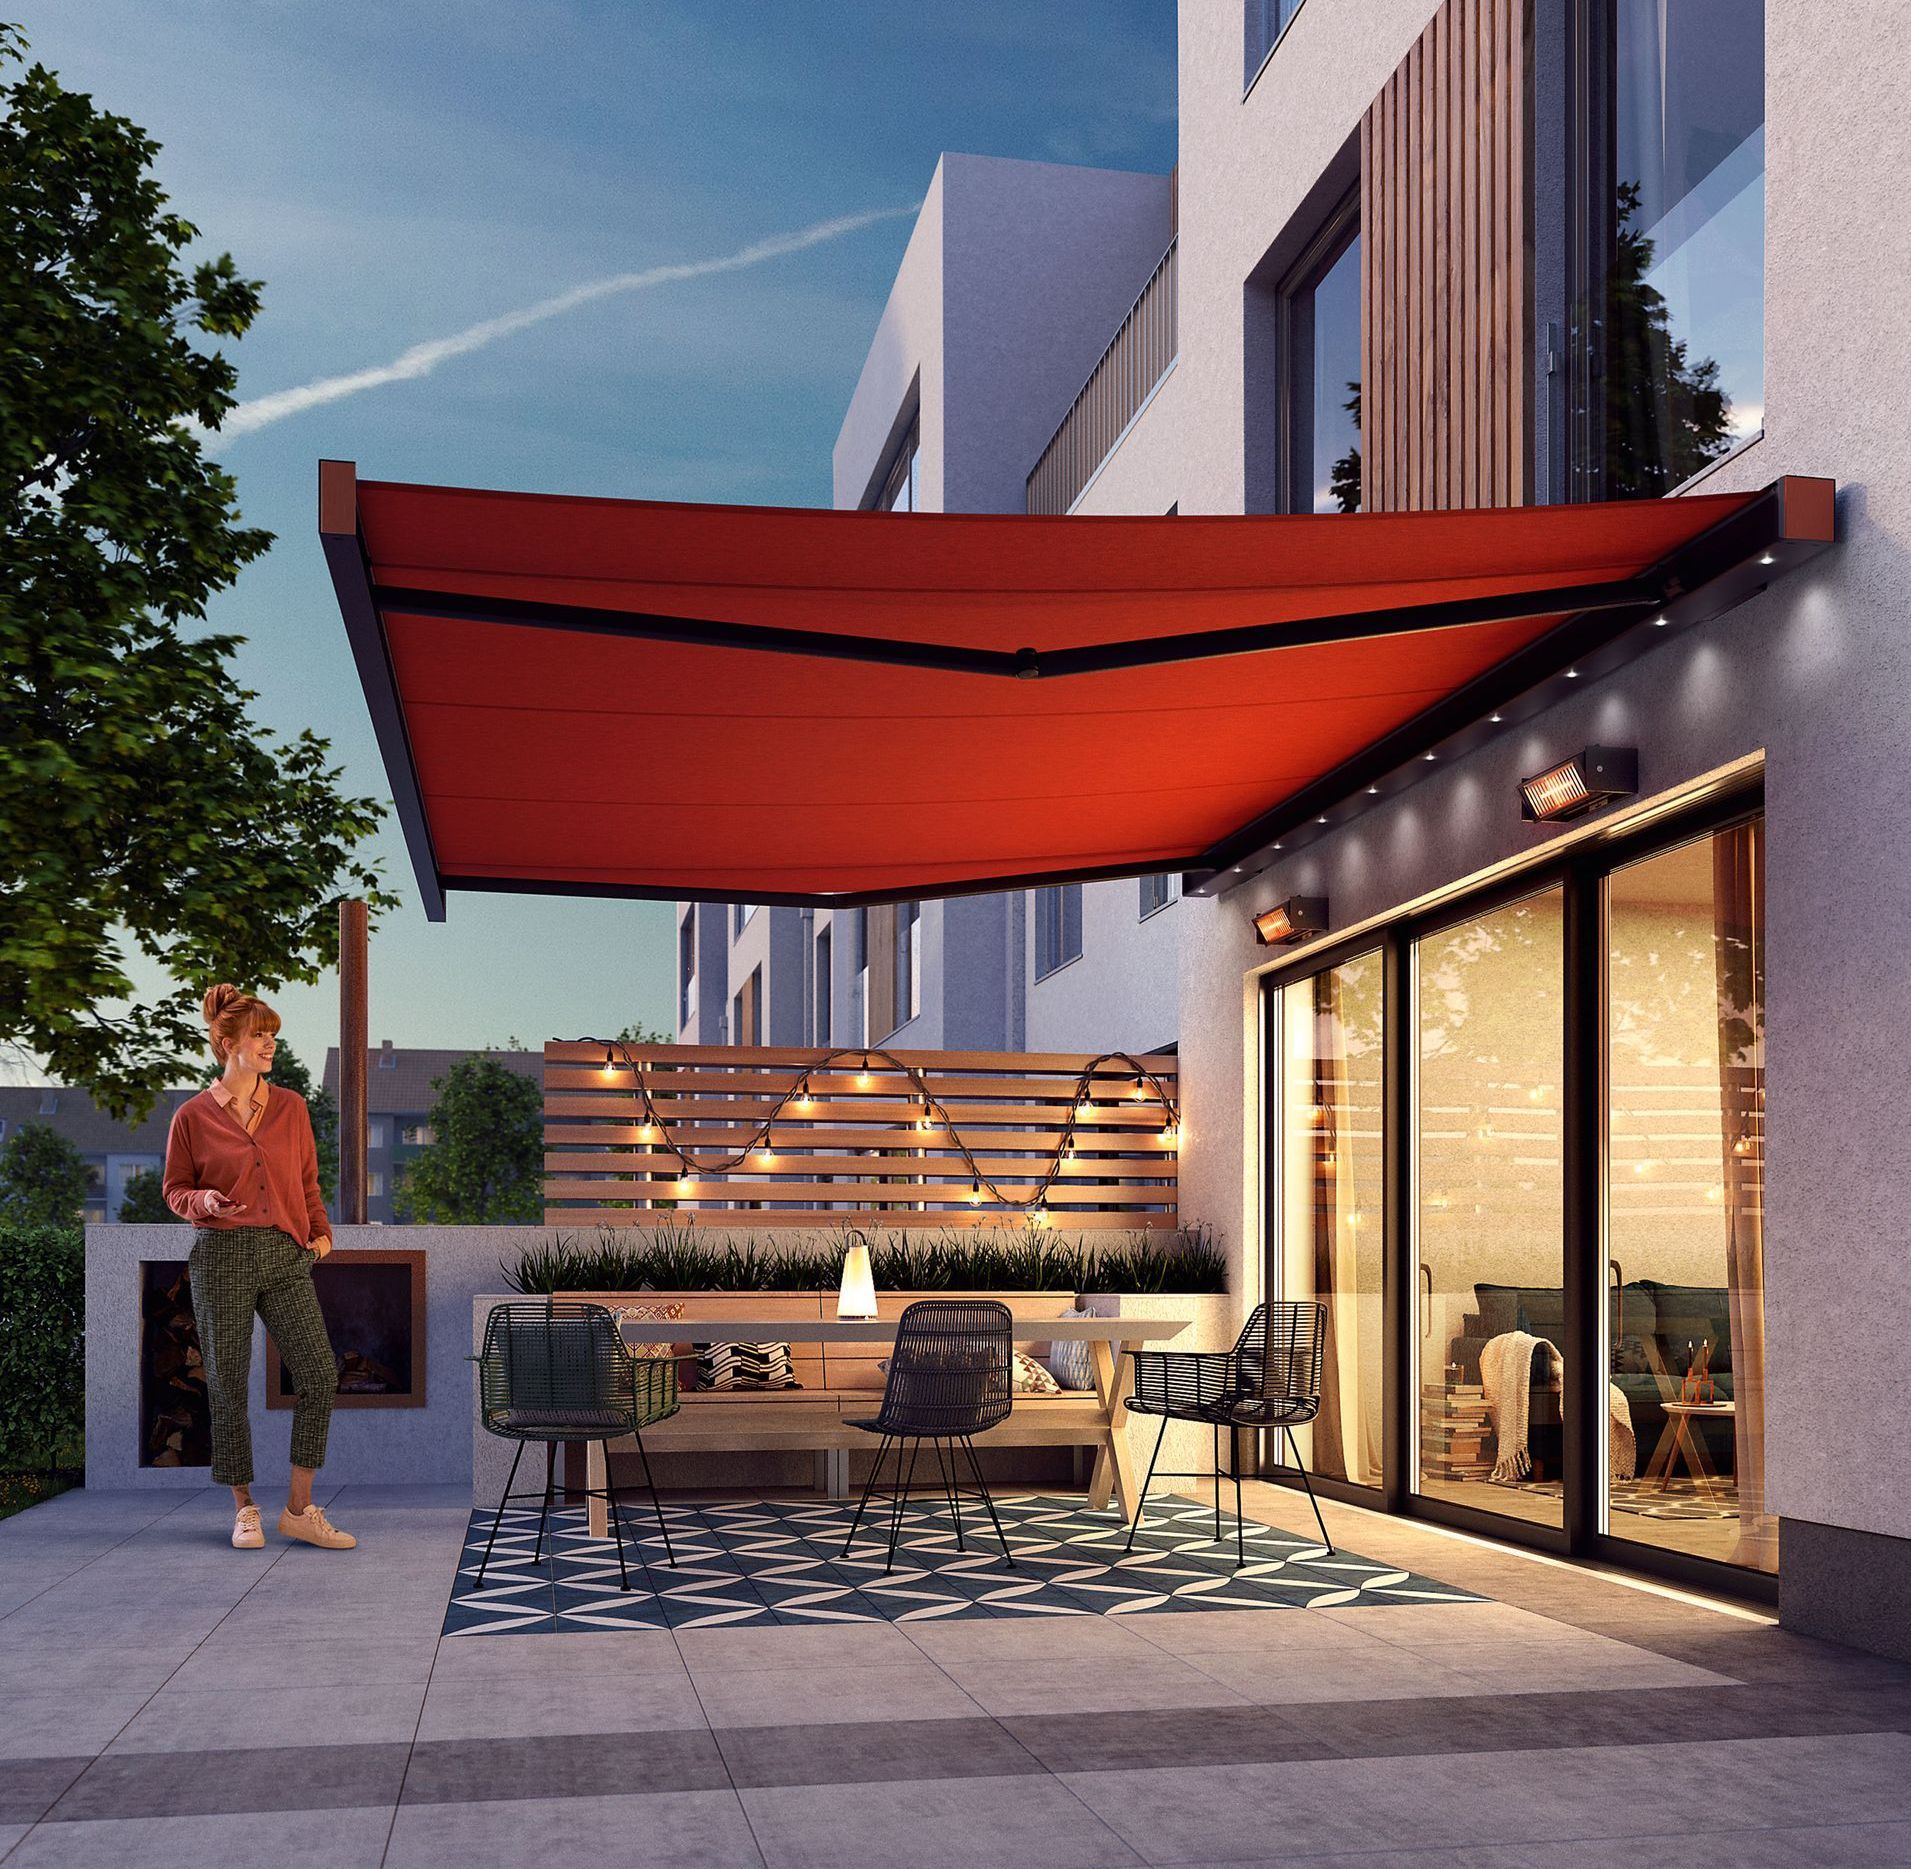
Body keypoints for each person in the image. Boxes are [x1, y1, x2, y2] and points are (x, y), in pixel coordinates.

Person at [162, 984, 357, 1552]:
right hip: (221, 1255)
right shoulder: (192, 1116)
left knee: (319, 1372)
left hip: (284, 1255)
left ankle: (299, 1508)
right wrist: (205, 1205)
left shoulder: (291, 1107)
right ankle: (244, 1507)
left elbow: (306, 1183)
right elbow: (175, 1190)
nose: (270, 1043)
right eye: (259, 1035)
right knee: (227, 1381)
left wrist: (320, 1237)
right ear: (227, 1043)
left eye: (273, 1034)